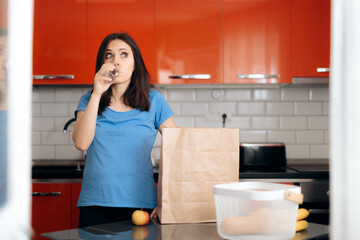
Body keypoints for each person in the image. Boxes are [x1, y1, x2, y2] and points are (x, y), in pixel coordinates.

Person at [72, 32, 175, 228]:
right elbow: (81, 143)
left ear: (135, 64)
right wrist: (97, 92)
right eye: (109, 55)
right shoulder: (88, 99)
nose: (116, 61)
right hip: (94, 204)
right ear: (102, 63)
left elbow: (177, 152)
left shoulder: (154, 101)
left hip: (141, 206)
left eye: (124, 54)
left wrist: (167, 202)